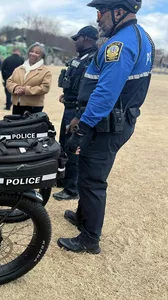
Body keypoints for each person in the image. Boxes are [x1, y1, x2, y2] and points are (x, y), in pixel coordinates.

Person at [57, 0, 154, 254]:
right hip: (114, 121)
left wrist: (83, 127)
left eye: (101, 12)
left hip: (106, 124)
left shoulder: (119, 45)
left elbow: (106, 92)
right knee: (89, 171)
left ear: (119, 12)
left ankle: (90, 238)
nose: (98, 19)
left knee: (92, 179)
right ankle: (82, 216)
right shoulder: (142, 37)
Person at [53, 26, 99, 201]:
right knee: (64, 145)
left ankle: (72, 189)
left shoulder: (92, 60)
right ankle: (64, 180)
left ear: (86, 38)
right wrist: (68, 94)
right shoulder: (82, 58)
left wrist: (78, 115)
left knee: (73, 149)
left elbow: (89, 90)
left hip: (77, 112)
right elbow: (77, 84)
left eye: (77, 39)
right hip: (70, 107)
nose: (75, 42)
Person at [6, 42, 52, 115]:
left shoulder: (45, 71)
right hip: (17, 105)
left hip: (34, 107)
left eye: (37, 52)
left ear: (42, 56)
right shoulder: (19, 68)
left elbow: (45, 88)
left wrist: (26, 90)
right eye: (31, 51)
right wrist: (16, 88)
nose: (33, 54)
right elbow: (9, 81)